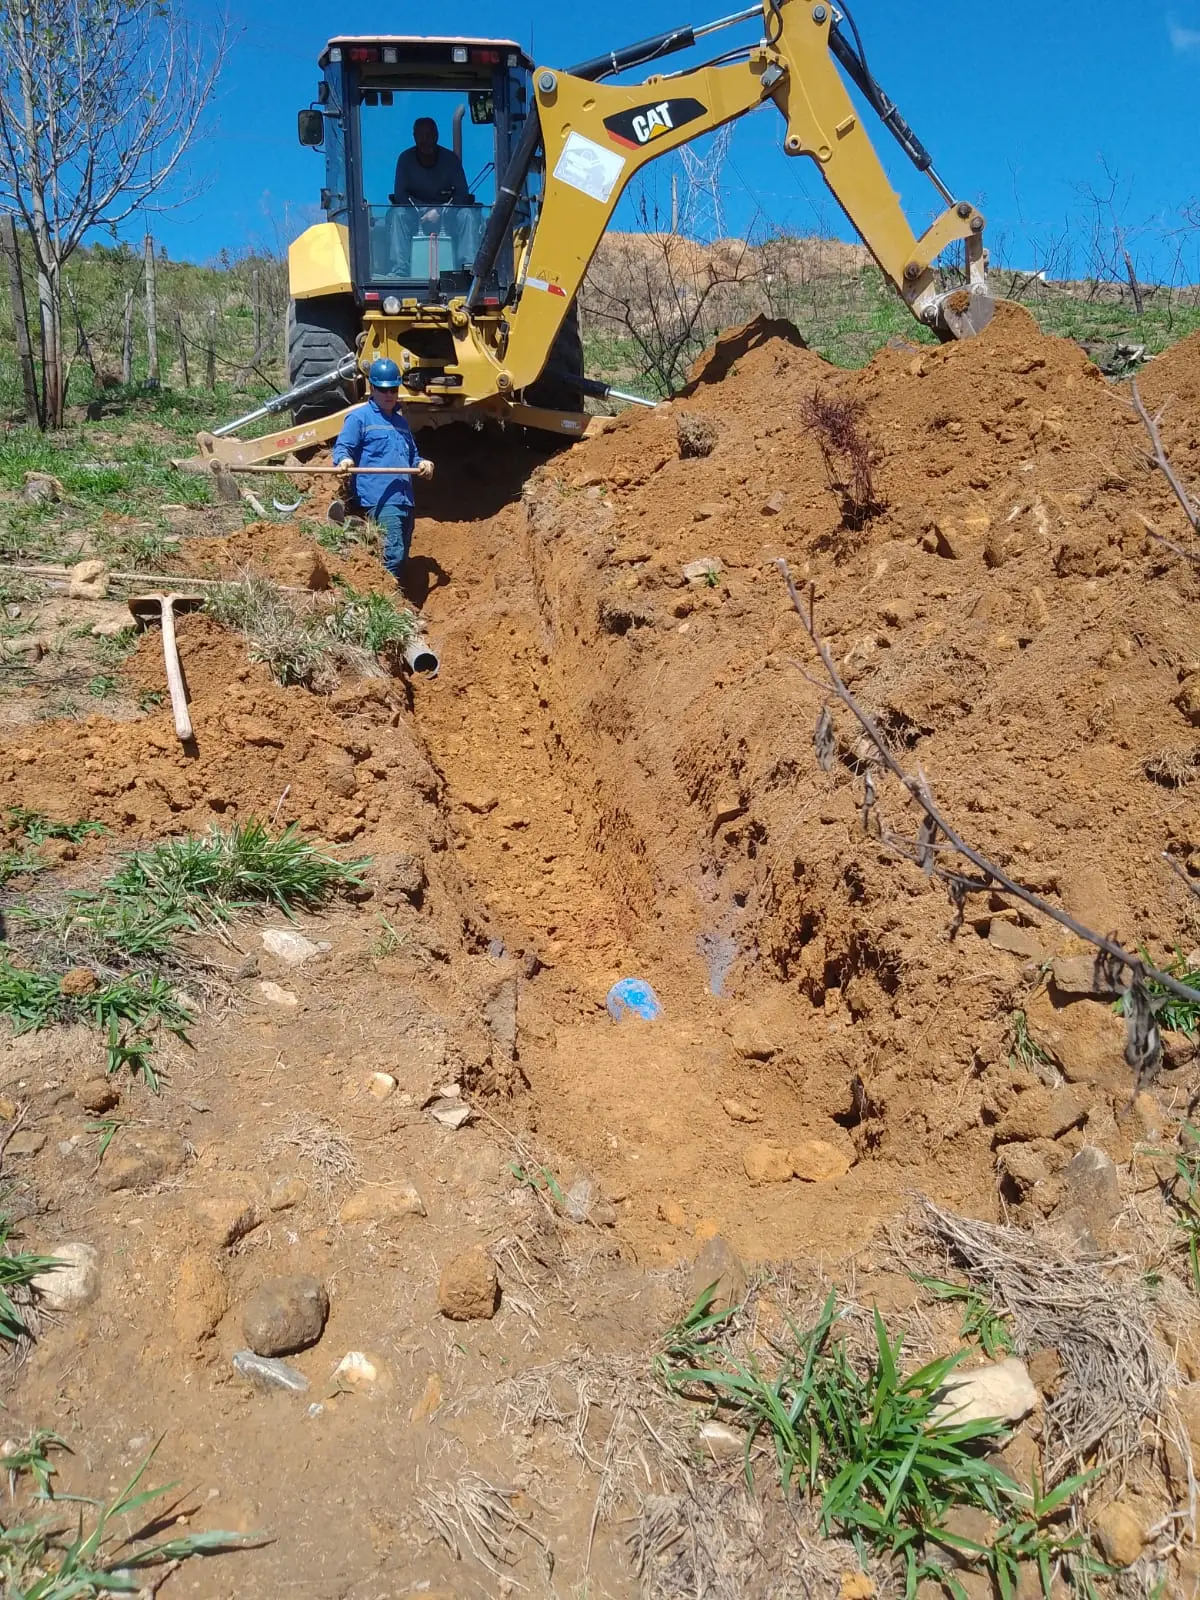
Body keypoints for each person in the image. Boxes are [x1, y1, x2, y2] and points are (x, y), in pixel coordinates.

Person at [332, 358, 433, 582]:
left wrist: (423, 464)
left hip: (404, 498)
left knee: (402, 552)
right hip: (379, 497)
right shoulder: (359, 418)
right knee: (393, 554)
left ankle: (393, 595)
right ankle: (385, 602)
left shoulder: (401, 423)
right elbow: (343, 447)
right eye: (383, 390)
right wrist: (344, 460)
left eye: (394, 389)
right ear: (372, 388)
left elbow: (412, 456)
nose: (389, 395)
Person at [390, 116, 475, 271]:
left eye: (430, 135)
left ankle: (468, 267)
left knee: (467, 214)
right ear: (414, 137)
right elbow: (400, 194)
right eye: (421, 135)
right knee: (398, 214)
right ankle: (400, 269)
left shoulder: (451, 160)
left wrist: (440, 211)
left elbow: (462, 194)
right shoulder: (405, 159)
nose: (426, 140)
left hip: (447, 213)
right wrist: (423, 211)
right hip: (415, 215)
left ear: (436, 136)